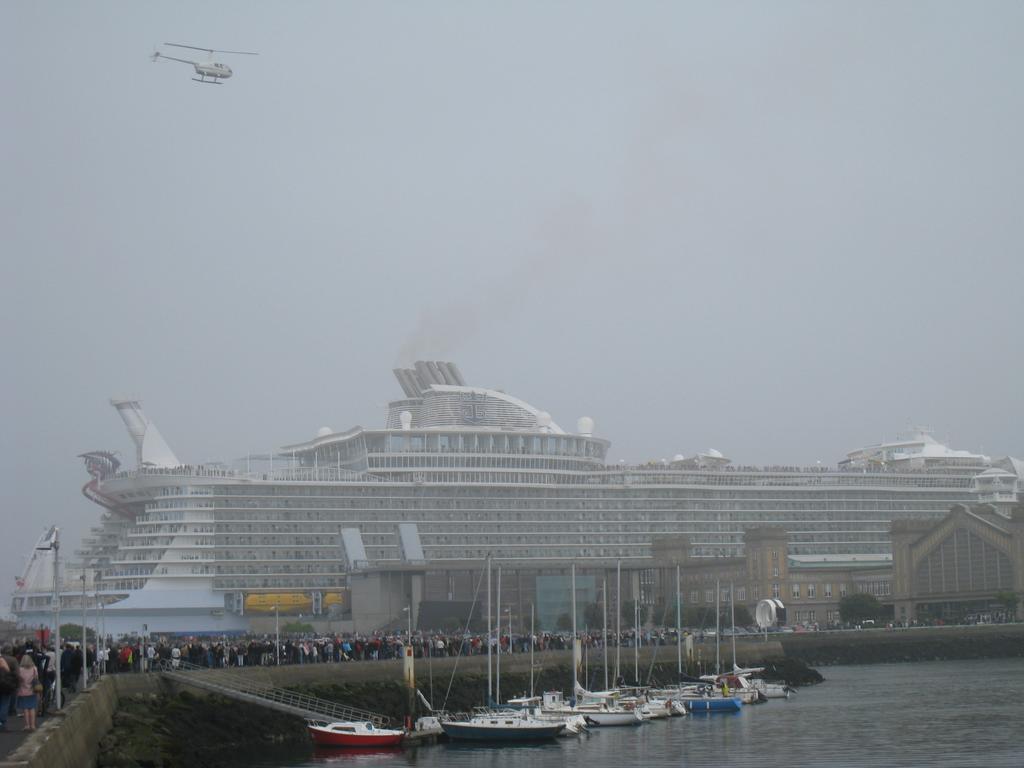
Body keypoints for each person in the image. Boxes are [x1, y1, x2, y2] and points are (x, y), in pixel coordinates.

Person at [16, 654, 40, 731]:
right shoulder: (34, 669)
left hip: (22, 691)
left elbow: (18, 680)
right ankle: (33, 725)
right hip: (32, 691)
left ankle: (27, 725)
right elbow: (36, 679)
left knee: (25, 708)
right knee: (32, 708)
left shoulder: (20, 669)